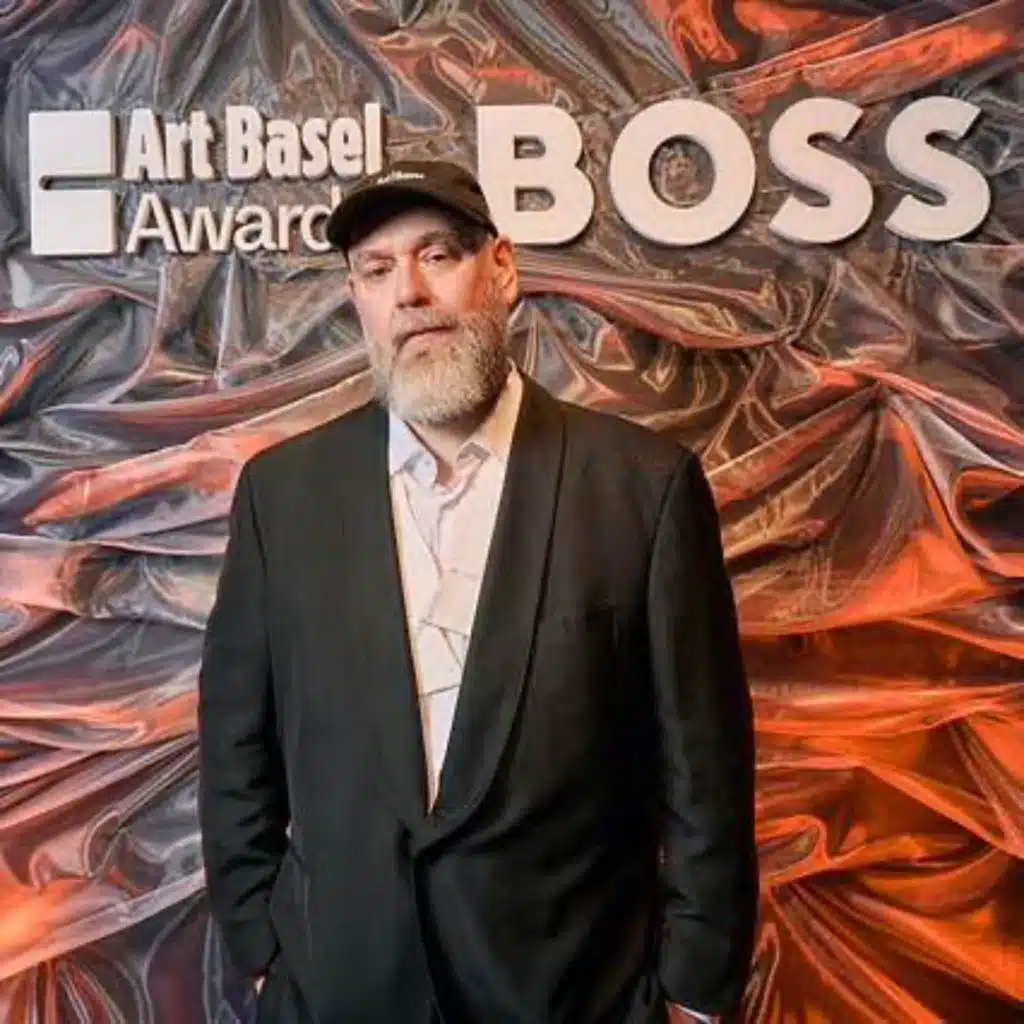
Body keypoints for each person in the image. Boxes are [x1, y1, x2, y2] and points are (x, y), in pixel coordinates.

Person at [198, 159, 759, 1024]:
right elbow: (236, 747)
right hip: (338, 996)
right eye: (377, 270)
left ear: (502, 269)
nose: (410, 293)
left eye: (437, 255)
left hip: (578, 998)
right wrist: (262, 950)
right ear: (357, 298)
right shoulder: (282, 496)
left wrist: (693, 990)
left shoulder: (644, 488)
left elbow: (706, 769)